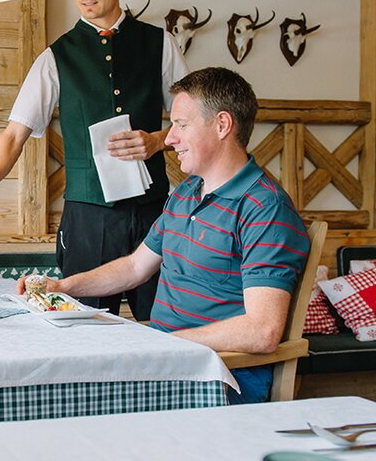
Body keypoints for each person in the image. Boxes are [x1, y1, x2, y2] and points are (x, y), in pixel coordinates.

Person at [17, 68, 309, 404]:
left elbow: (262, 331)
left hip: (218, 374)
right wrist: (63, 287)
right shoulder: (187, 192)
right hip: (166, 361)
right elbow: (134, 267)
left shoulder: (264, 207)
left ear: (222, 125)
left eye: (181, 125)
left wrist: (165, 343)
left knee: (68, 400)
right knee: (56, 380)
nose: (169, 139)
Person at [0, 0, 189, 318]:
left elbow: (193, 120)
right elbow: (14, 134)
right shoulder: (55, 57)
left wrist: (159, 140)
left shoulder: (160, 43)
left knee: (164, 324)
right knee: (81, 326)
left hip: (154, 214)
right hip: (87, 218)